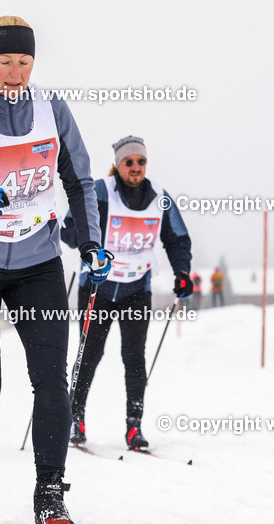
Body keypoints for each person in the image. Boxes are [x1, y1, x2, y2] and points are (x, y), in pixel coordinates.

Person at [0, 16, 109, 524]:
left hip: (38, 262)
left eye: (24, 62)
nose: (15, 72)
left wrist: (92, 241)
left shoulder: (52, 109)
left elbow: (79, 179)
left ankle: (50, 493)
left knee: (52, 382)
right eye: (5, 61)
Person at [62, 136, 192, 451]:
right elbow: (68, 229)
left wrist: (182, 272)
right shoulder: (100, 192)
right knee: (89, 354)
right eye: (129, 162)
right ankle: (74, 419)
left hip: (137, 288)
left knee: (134, 358)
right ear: (119, 165)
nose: (136, 167)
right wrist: (86, 243)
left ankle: (134, 427)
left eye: (141, 162)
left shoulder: (160, 196)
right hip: (98, 288)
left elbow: (177, 238)